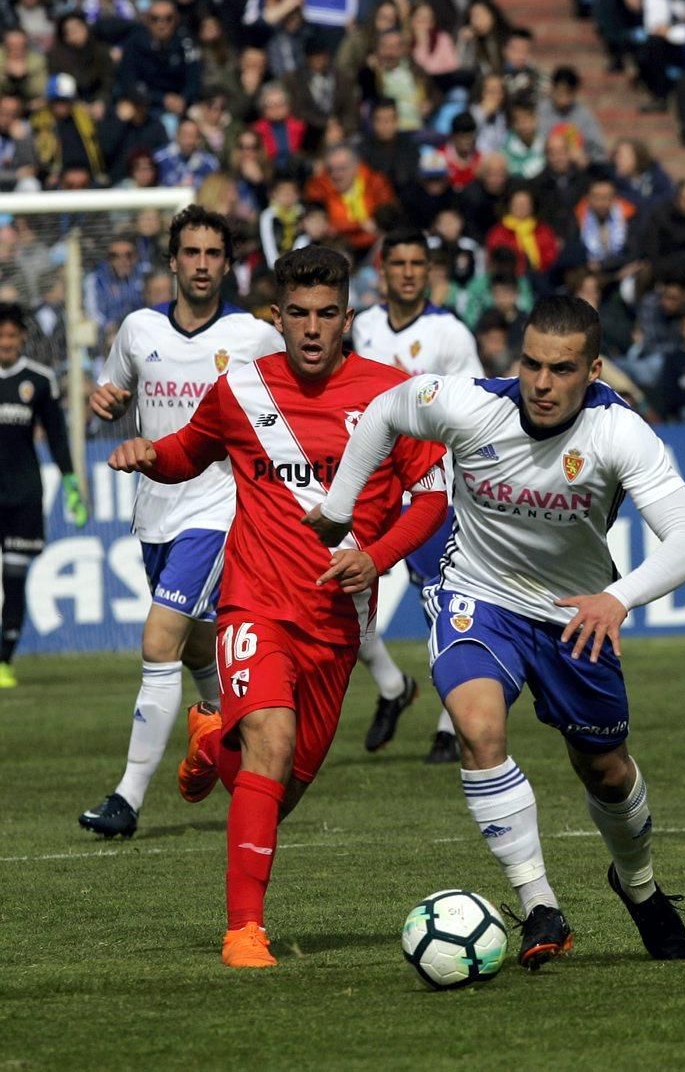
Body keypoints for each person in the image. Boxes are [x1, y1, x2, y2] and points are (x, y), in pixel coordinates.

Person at [308, 294, 685, 968]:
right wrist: (339, 506)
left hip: (574, 614)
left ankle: (638, 886)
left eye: (562, 369)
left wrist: (616, 598)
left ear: (594, 370)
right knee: (477, 728)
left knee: (607, 773)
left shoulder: (620, 432)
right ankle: (539, 904)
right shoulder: (469, 404)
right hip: (478, 596)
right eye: (531, 364)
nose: (543, 383)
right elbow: (384, 411)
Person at [104, 246, 448, 967]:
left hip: (337, 628)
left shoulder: (393, 394)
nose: (314, 329)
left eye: (328, 315)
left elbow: (433, 496)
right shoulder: (241, 391)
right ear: (277, 317)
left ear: (348, 317)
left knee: (275, 787)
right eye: (299, 315)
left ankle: (210, 739)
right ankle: (244, 933)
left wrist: (377, 558)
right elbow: (187, 453)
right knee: (271, 743)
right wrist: (147, 454)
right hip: (254, 603)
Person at [77, 206, 285, 839]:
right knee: (196, 645)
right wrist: (103, 399)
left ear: (228, 263)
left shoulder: (254, 336)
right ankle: (227, 734)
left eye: (212, 254)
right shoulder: (138, 330)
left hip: (219, 510)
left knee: (158, 640)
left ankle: (127, 799)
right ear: (172, 261)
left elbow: (302, 391)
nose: (200, 264)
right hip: (155, 511)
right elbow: (111, 391)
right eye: (190, 253)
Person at [351, 229, 483, 762]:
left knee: (440, 604)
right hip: (370, 482)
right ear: (382, 270)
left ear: (428, 271)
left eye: (416, 263)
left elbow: (473, 408)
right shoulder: (359, 328)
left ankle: (452, 726)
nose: (407, 272)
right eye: (397, 262)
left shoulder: (448, 333)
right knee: (341, 597)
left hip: (430, 482)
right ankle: (392, 686)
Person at [0, 302, 88, 688]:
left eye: (12, 335)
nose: (6, 341)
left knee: (14, 578)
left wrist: (70, 482)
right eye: (1, 334)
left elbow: (56, 435)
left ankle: (3, 661)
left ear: (22, 339)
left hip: (22, 495)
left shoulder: (39, 380)